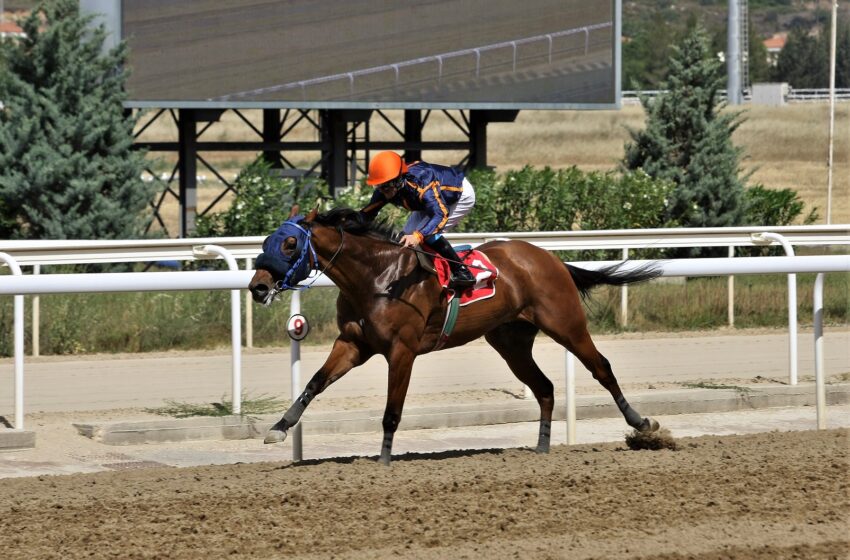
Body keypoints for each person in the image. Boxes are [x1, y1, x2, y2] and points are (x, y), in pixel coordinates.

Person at [359, 151, 477, 289]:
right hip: (431, 202)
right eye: (378, 186)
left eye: (385, 187)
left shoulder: (422, 182)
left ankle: (461, 270)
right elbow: (366, 214)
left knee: (426, 235)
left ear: (398, 181)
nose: (381, 191)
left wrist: (419, 235)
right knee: (405, 235)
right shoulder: (388, 187)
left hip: (459, 195)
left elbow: (440, 214)